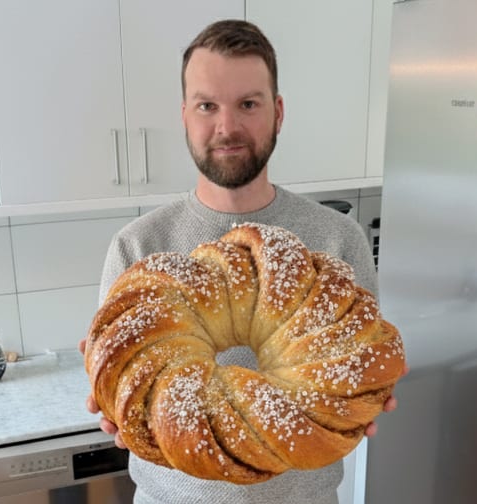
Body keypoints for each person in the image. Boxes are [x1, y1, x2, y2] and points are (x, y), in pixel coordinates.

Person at [79, 19, 401, 504]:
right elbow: (124, 389)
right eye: (207, 105)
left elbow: (360, 369)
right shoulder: (138, 248)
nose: (227, 127)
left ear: (278, 112)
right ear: (185, 115)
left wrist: (365, 393)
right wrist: (116, 401)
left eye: (248, 104)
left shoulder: (338, 238)